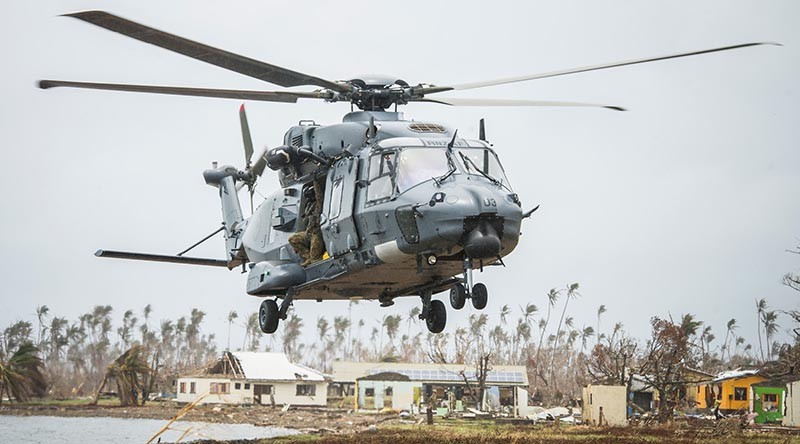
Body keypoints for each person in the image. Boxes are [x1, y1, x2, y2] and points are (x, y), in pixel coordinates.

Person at [289, 176, 325, 266]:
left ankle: (311, 258)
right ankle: (307, 256)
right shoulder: (308, 207)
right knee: (292, 239)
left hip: (317, 233)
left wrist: (315, 180)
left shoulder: (318, 205)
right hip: (308, 233)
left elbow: (319, 196)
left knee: (315, 259)